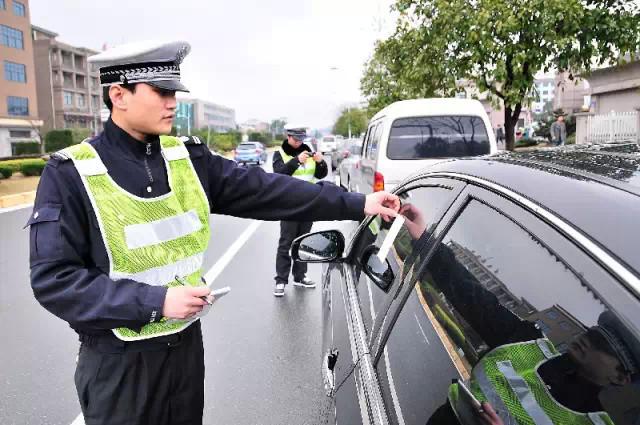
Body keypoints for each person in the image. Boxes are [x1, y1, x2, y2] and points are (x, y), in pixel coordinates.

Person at [27, 40, 400, 425]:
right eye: (161, 92)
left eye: (175, 92)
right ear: (119, 95)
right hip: (119, 366)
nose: (173, 102)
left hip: (185, 354)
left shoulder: (187, 158)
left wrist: (357, 204)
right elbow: (55, 280)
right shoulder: (71, 174)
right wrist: (156, 302)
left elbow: (268, 190)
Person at [397, 204, 639, 425]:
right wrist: (425, 239)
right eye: (593, 333)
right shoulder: (527, 342)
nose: (588, 338)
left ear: (620, 378)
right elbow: (471, 296)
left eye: (603, 345)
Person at [271, 125, 327, 297]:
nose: (299, 142)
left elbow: (321, 175)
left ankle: (300, 276)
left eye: (301, 139)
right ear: (288, 137)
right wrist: (296, 161)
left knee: (303, 242)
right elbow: (279, 174)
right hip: (289, 206)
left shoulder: (308, 152)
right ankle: (281, 280)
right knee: (286, 243)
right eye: (296, 139)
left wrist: (320, 162)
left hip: (308, 205)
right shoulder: (279, 154)